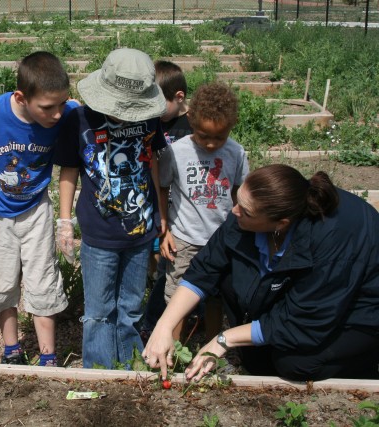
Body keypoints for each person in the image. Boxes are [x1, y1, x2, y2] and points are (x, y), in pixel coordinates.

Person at [143, 164, 379, 381]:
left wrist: (224, 339)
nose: (234, 211)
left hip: (358, 310)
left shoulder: (333, 241)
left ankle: (362, 365)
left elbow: (307, 321)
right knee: (257, 358)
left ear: (280, 223)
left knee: (295, 364)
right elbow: (205, 269)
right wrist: (164, 326)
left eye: (245, 211)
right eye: (238, 202)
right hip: (310, 301)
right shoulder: (250, 210)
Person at [54, 48, 167, 369]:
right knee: (99, 311)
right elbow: (69, 171)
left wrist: (160, 214)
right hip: (99, 235)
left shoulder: (149, 119)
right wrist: (64, 220)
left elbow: (153, 164)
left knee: (131, 307)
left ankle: (131, 369)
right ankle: (100, 372)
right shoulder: (78, 120)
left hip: (140, 230)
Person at [0, 51, 77, 367]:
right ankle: (12, 348)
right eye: (47, 107)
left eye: (61, 104)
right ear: (21, 98)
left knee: (42, 278)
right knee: (1, 280)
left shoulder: (65, 112)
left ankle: (48, 354)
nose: (56, 114)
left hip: (36, 210)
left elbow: (84, 110)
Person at [157, 82, 249, 343]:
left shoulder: (236, 153)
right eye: (202, 135)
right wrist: (165, 231)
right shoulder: (176, 152)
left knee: (217, 295)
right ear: (191, 121)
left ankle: (211, 348)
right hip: (184, 238)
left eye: (218, 137)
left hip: (221, 239)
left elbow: (239, 194)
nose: (210, 144)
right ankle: (171, 349)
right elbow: (162, 189)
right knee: (177, 297)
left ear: (231, 127)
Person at [141, 60, 193, 340]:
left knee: (169, 262)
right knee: (155, 250)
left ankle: (164, 310)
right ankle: (157, 292)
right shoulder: (152, 123)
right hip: (155, 199)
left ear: (179, 97)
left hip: (183, 205)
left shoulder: (193, 125)